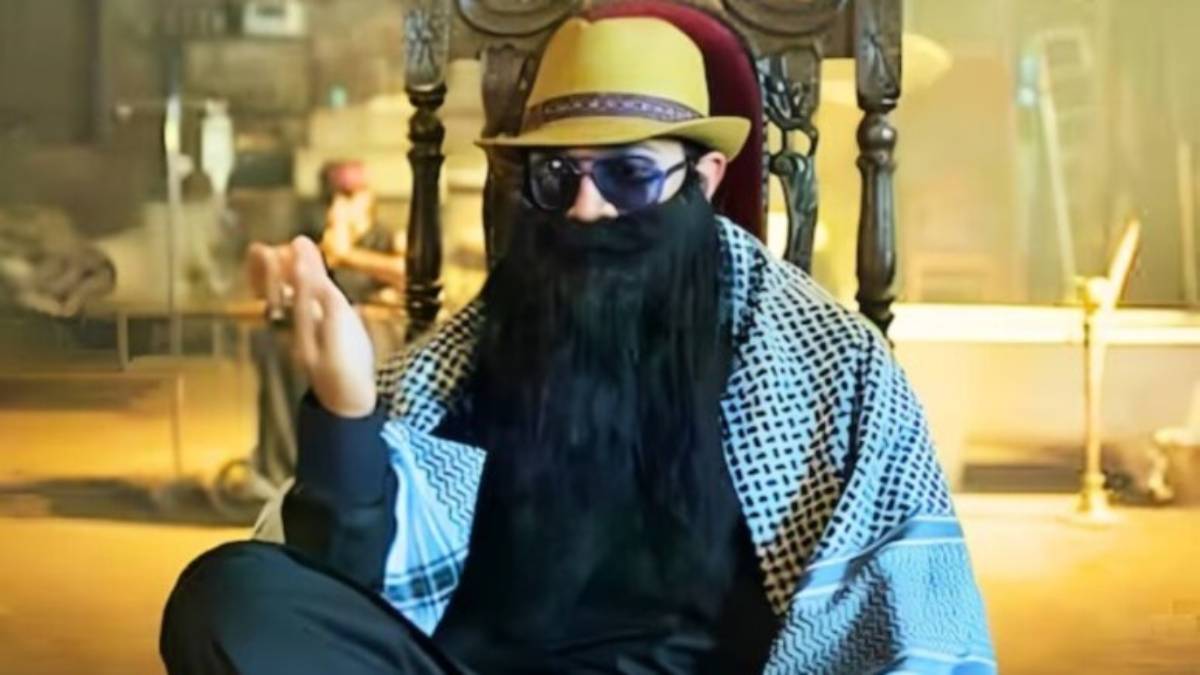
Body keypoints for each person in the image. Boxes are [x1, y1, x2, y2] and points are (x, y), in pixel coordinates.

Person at [161, 13, 995, 674]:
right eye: (558, 178)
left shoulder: (825, 366)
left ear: (703, 180)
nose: (587, 209)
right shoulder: (471, 355)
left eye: (628, 175)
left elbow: (906, 621)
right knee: (230, 598)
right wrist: (347, 408)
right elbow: (355, 584)